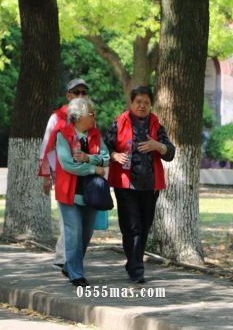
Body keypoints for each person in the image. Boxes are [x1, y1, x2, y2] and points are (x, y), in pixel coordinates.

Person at [105, 86, 175, 284]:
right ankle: (137, 269)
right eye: (139, 102)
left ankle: (132, 262)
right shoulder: (119, 123)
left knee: (143, 228)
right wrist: (114, 155)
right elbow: (105, 146)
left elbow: (170, 152)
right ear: (131, 103)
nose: (142, 106)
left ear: (151, 104)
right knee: (132, 227)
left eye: (146, 102)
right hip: (125, 184)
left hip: (150, 186)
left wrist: (157, 146)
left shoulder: (156, 125)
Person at [52, 97, 109, 287]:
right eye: (91, 114)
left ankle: (70, 266)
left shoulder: (95, 134)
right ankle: (76, 273)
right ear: (78, 117)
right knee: (73, 233)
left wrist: (89, 158)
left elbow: (106, 158)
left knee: (85, 235)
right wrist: (94, 168)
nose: (94, 118)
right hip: (69, 193)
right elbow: (68, 165)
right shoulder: (62, 135)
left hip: (92, 194)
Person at [38, 78, 89, 270]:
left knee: (80, 220)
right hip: (62, 174)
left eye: (84, 92)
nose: (80, 96)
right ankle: (63, 258)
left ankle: (70, 257)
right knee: (67, 218)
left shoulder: (89, 116)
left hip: (85, 174)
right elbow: (46, 147)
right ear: (68, 95)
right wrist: (45, 176)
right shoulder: (57, 118)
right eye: (77, 93)